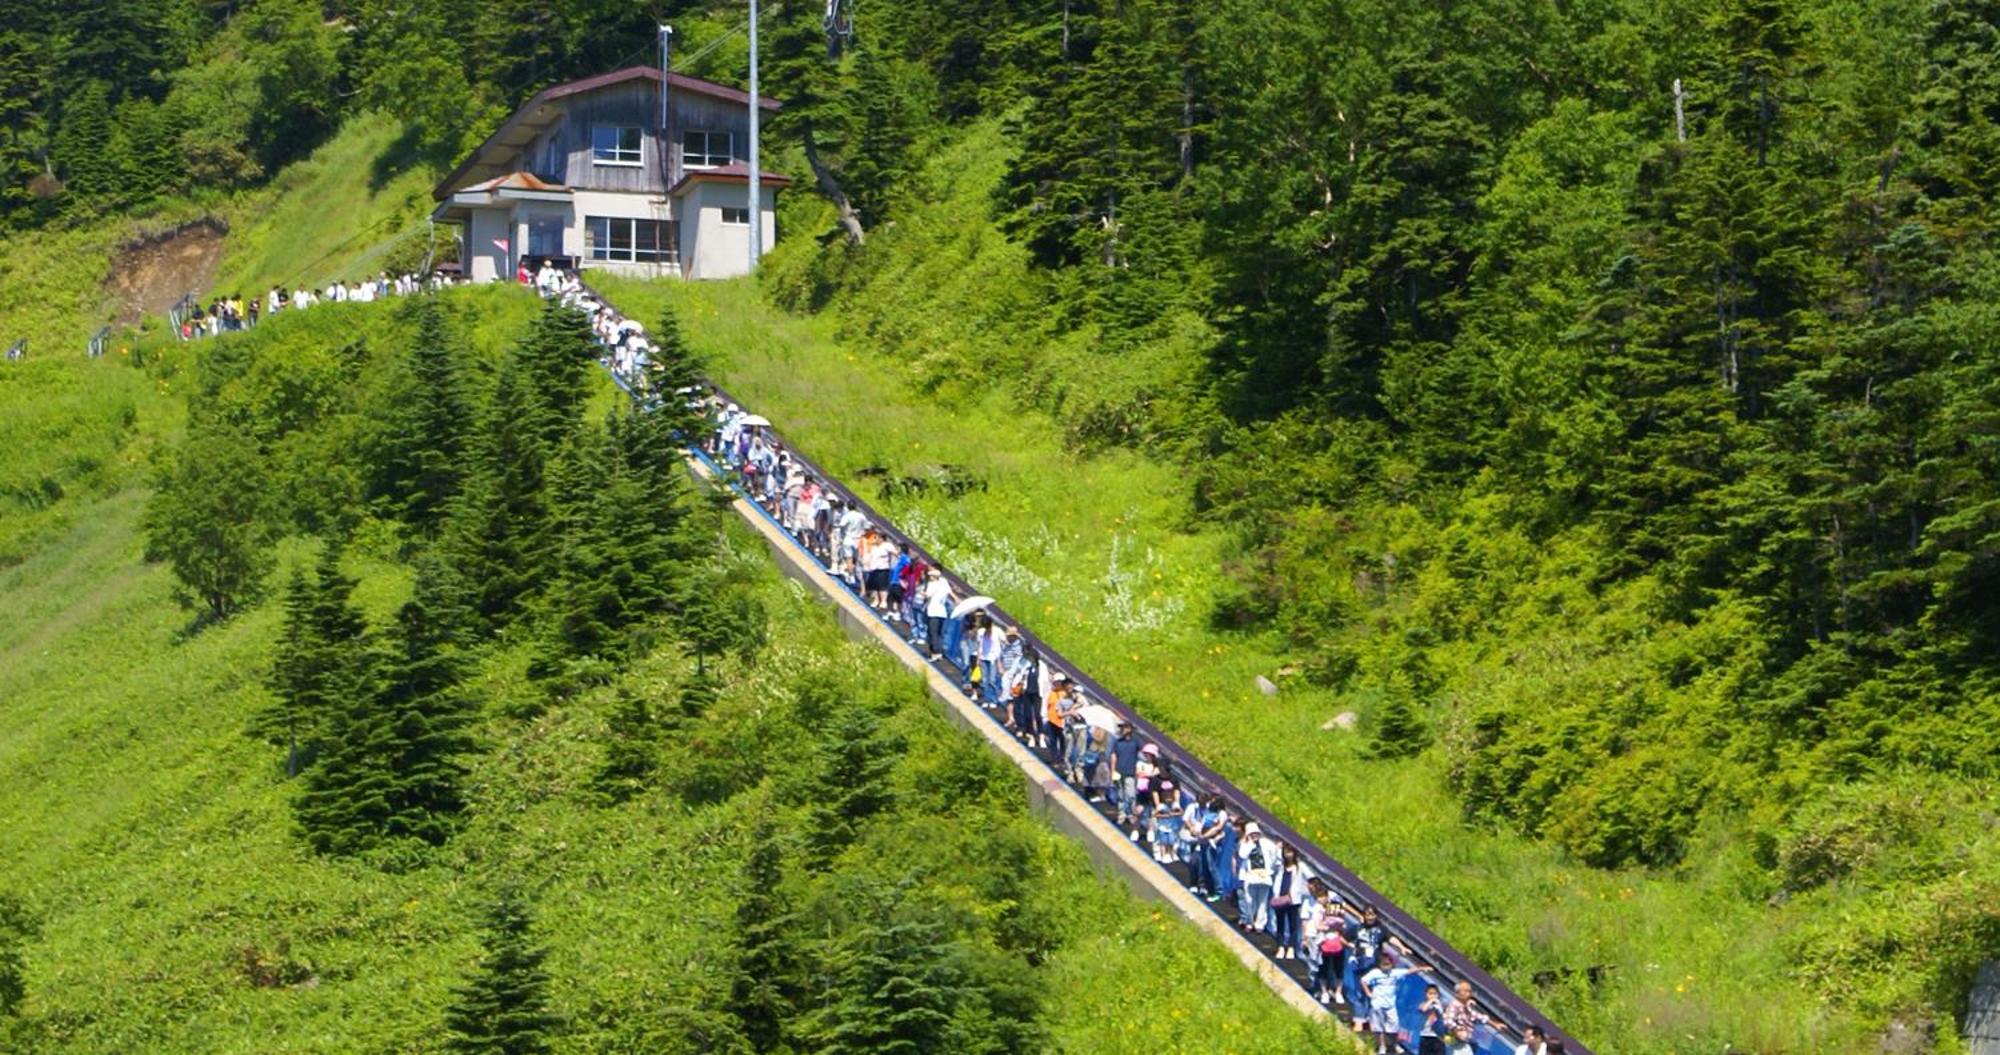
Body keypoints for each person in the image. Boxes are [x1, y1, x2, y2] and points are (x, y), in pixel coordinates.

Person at [1361, 952, 1413, 1054]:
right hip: (1378, 1004)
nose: (1386, 967)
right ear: (1379, 965)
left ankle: (1393, 1044)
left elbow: (1409, 971)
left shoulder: (1394, 973)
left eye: (1388, 964)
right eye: (1383, 964)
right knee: (1379, 1026)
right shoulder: (1375, 973)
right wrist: (1369, 993)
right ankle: (1382, 1046)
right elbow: (1363, 981)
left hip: (1390, 1005)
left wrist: (1423, 968)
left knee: (1394, 1025)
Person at [1237, 821, 1277, 935]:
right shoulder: (1245, 845)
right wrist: (1250, 843)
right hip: (1250, 876)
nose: (1254, 835)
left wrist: (1269, 870)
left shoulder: (1266, 843)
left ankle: (1260, 924)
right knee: (1249, 901)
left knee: (1262, 902)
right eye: (1251, 833)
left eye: (1256, 833)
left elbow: (1274, 855)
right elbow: (1242, 855)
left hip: (1264, 876)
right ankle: (1250, 922)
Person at [1270, 846, 1305, 959]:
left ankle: (1291, 947)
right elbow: (1272, 864)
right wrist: (1277, 848)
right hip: (1280, 898)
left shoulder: (1299, 867)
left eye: (1290, 852)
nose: (1288, 855)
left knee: (1293, 925)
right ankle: (1280, 946)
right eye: (1285, 852)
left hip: (1293, 900)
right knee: (1280, 924)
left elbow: (1309, 878)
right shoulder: (1281, 866)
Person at [1109, 721, 1141, 826]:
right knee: (1120, 794)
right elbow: (1114, 756)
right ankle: (1122, 814)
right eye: (1122, 728)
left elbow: (1140, 756)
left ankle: (1131, 814)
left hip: (1130, 772)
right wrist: (1113, 771)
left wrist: (1138, 769)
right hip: (1119, 771)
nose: (1122, 730)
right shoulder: (1118, 742)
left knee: (1131, 794)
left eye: (1125, 728)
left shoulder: (1135, 743)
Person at [1443, 980, 1482, 1055]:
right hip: (1454, 1041)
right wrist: (1457, 1031)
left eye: (1469, 991)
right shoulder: (1454, 1005)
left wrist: (1493, 1023)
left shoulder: (1466, 1006)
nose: (1468, 994)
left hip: (1462, 1042)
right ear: (1457, 993)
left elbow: (1476, 1016)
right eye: (1466, 991)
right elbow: (1448, 1021)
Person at [921, 570, 954, 661]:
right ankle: (939, 651)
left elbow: (927, 596)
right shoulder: (944, 584)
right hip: (942, 612)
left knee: (933, 632)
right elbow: (949, 592)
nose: (929, 578)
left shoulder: (932, 585)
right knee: (939, 633)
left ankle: (935, 652)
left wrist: (922, 593)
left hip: (933, 611)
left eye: (931, 576)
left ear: (934, 577)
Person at [1417, 984, 1448, 1055]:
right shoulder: (1423, 1004)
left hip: (1438, 1036)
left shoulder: (1442, 1005)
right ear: (1426, 994)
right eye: (1430, 994)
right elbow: (1423, 1009)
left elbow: (1445, 1016)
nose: (1432, 996)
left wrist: (1439, 1006)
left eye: (1435, 994)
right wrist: (1431, 1001)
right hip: (1426, 1035)